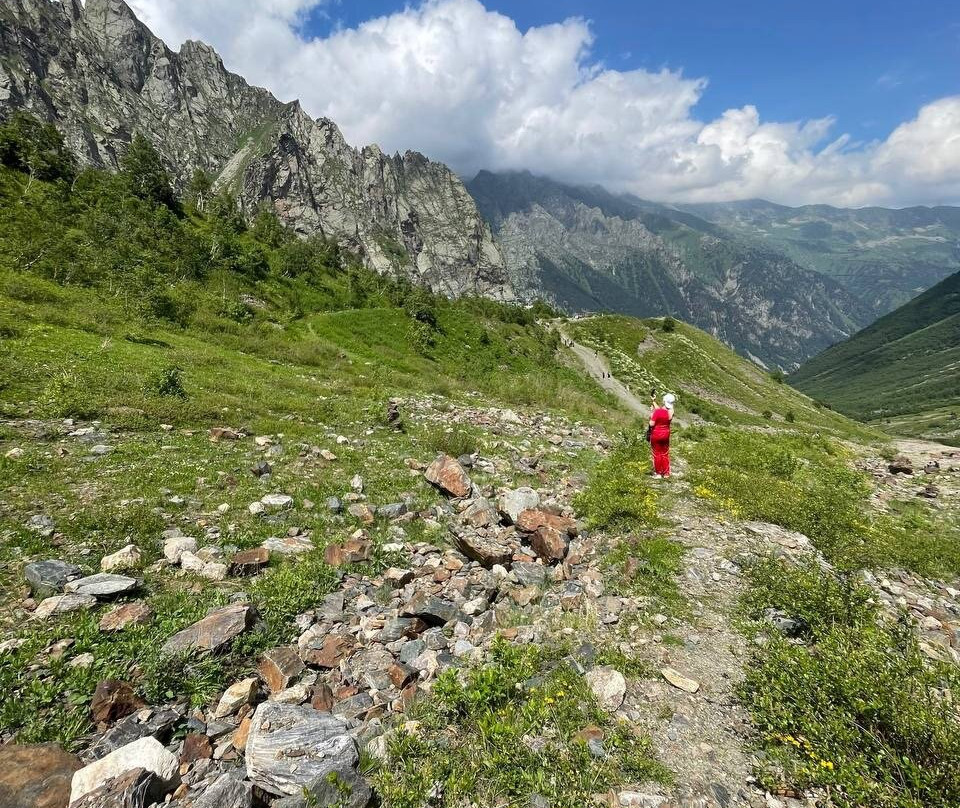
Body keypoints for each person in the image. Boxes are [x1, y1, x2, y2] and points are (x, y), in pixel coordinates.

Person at [648, 393, 675, 478]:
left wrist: (652, 413)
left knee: (657, 454)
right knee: (665, 453)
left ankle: (658, 473)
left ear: (664, 401)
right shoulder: (671, 411)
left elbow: (651, 424)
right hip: (666, 434)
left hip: (656, 434)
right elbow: (661, 411)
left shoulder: (657, 412)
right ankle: (666, 473)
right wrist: (653, 401)